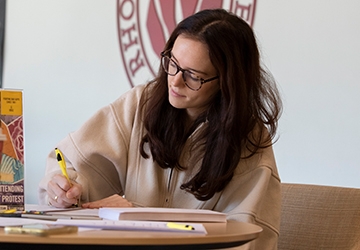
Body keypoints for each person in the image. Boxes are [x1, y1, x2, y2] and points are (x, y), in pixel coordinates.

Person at [39, 8, 282, 249]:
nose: (174, 81)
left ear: (227, 82)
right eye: (172, 64)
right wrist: (63, 188)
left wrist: (141, 217)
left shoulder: (249, 140)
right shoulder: (140, 105)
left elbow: (246, 238)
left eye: (193, 76)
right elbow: (74, 163)